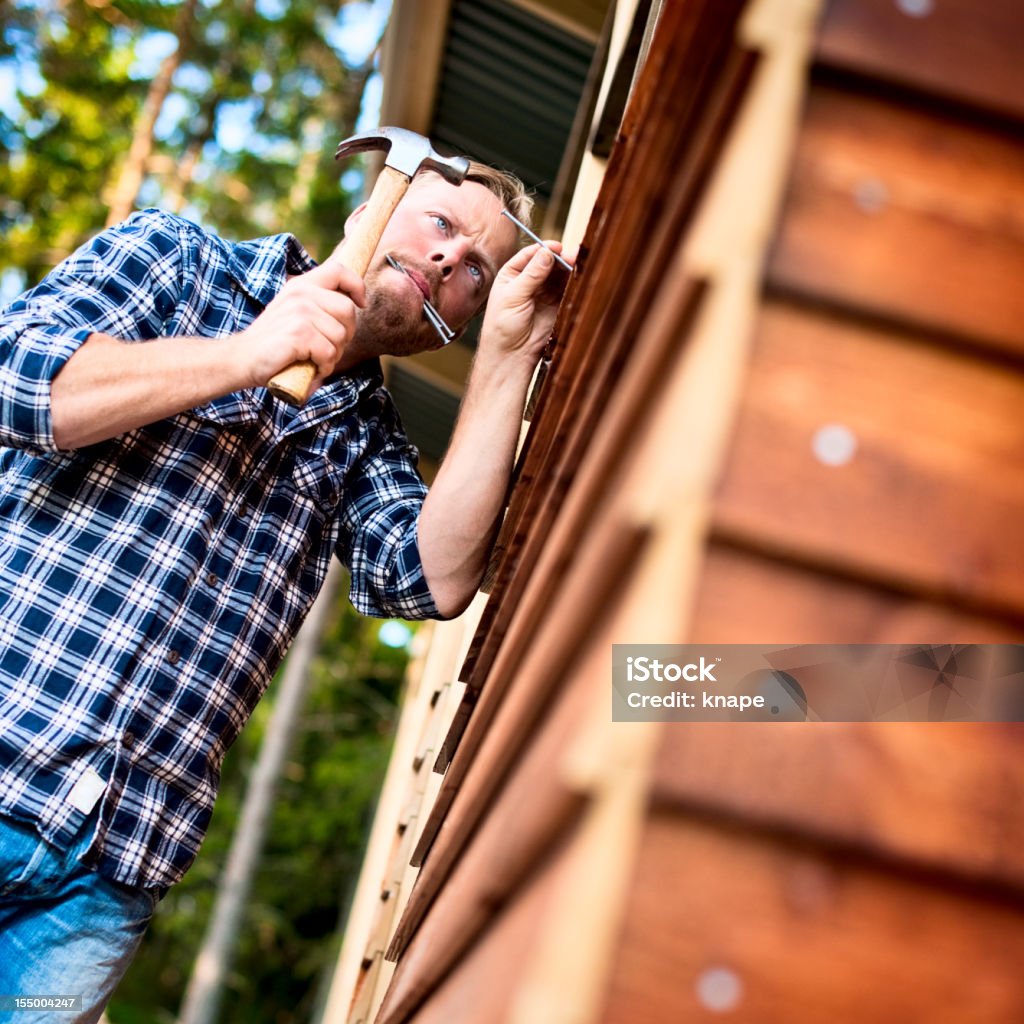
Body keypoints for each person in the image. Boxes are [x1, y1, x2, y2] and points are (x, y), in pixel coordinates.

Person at [0, 157, 573, 1021]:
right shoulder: (180, 261)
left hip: (103, 879)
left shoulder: (369, 439)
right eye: (442, 225)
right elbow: (25, 381)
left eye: (479, 271)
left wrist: (508, 359)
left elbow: (433, 577)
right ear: (373, 201)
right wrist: (249, 352)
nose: (453, 262)